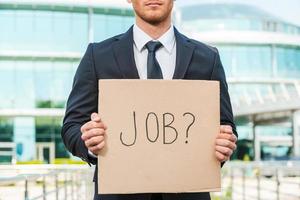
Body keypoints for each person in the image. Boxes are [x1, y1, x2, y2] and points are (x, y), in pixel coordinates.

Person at [61, 0, 238, 199]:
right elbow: (72, 126)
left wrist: (225, 142)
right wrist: (89, 143)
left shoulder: (207, 58)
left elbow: (226, 124)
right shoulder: (98, 56)